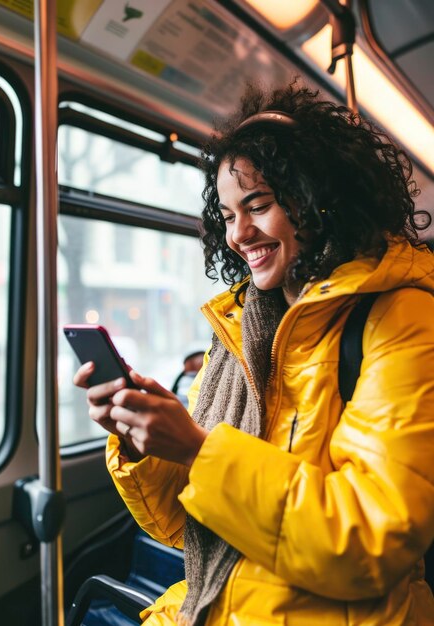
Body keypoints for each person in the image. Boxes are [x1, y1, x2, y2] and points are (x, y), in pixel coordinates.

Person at [73, 81, 434, 626]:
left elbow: (368, 542)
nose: (239, 234)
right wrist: (142, 439)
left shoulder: (402, 317)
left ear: (319, 200)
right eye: (226, 214)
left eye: (258, 206)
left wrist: (198, 451)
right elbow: (183, 522)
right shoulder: (240, 327)